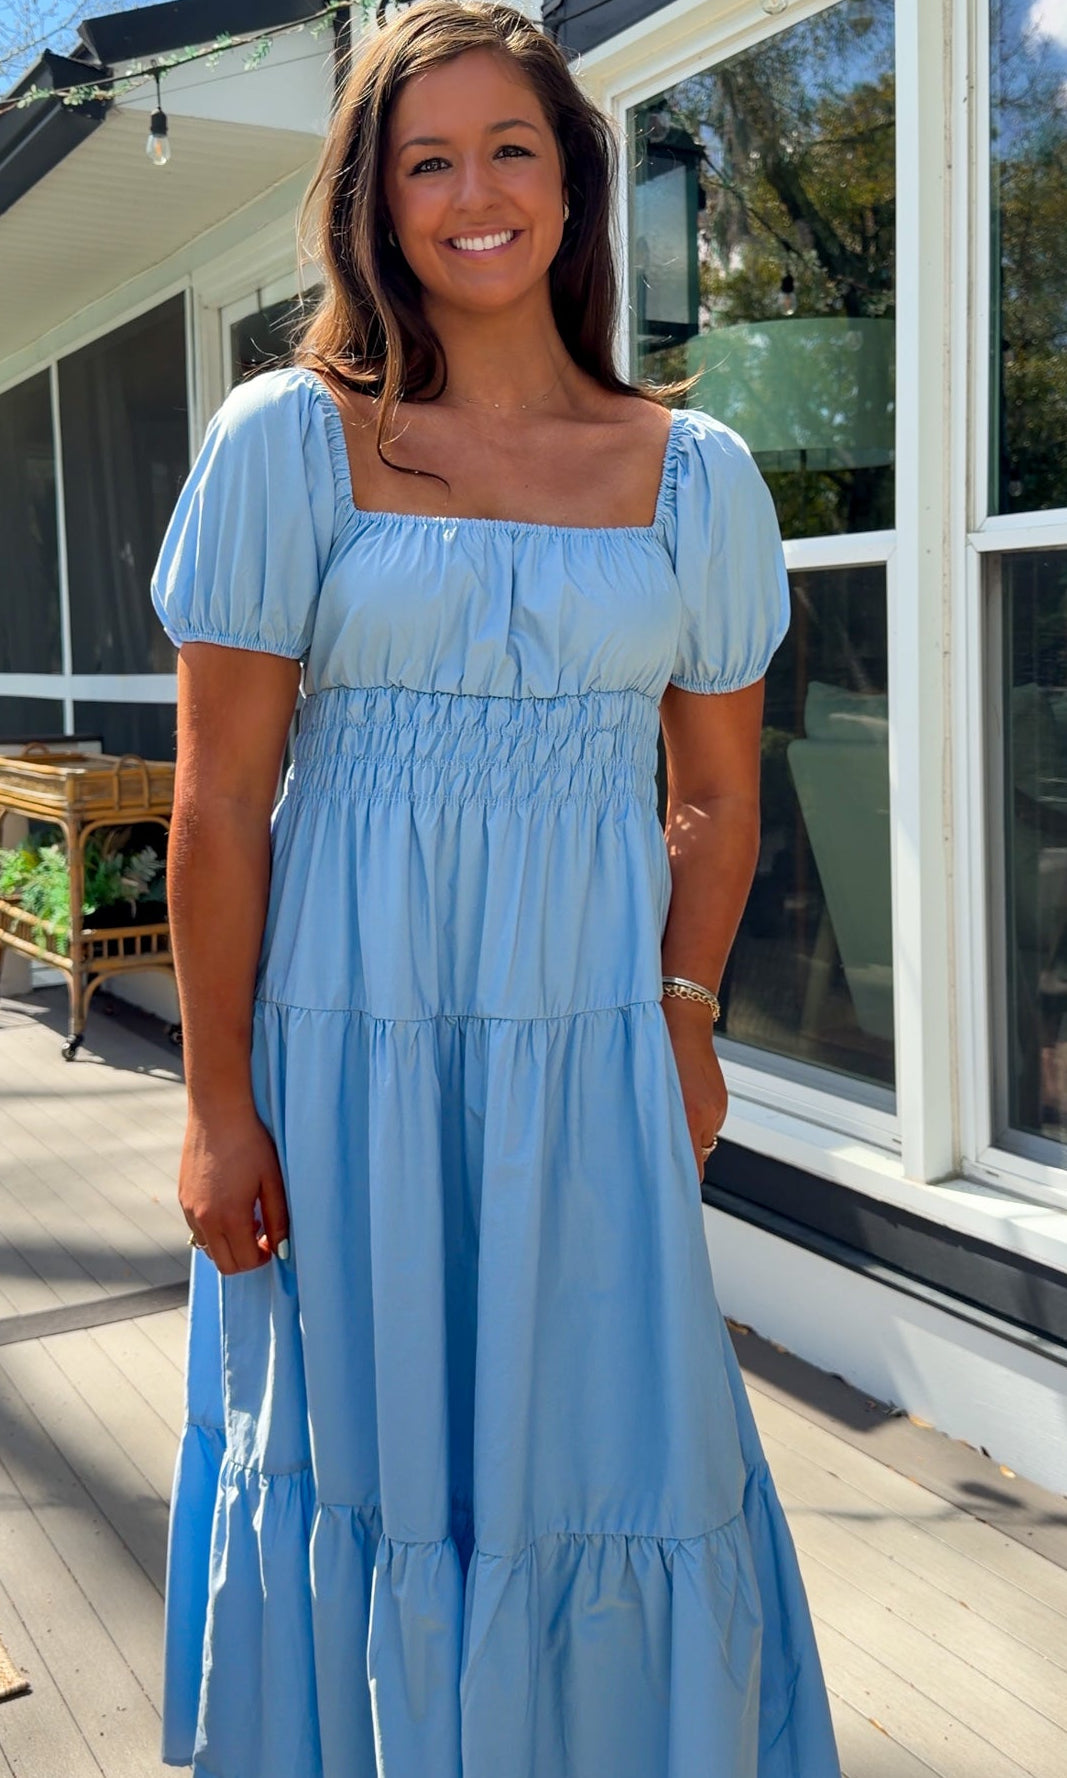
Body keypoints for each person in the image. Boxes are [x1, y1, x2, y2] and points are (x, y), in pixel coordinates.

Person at [149, 3, 841, 1774]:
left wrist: (688, 1016)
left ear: (573, 181)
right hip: (344, 1058)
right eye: (426, 159)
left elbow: (715, 795)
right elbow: (222, 804)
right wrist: (219, 1103)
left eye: (510, 149)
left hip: (588, 1058)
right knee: (359, 1456)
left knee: (624, 1448)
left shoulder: (696, 478)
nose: (473, 193)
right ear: (373, 202)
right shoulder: (287, 444)